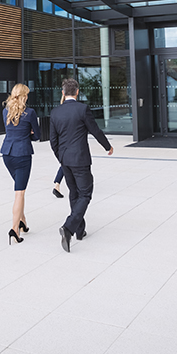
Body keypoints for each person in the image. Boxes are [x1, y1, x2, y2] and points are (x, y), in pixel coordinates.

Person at [50, 78, 113, 253]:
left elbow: (53, 141)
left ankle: (79, 230)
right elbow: (95, 130)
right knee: (85, 194)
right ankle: (69, 228)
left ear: (63, 93)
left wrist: (61, 157)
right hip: (80, 160)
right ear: (77, 92)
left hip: (65, 161)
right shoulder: (82, 109)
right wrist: (108, 146)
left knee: (74, 193)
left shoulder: (55, 112)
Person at [0, 83, 40, 244]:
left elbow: (10, 130)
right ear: (24, 96)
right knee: (20, 192)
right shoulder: (29, 113)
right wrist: (28, 134)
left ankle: (22, 221)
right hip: (22, 154)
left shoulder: (5, 111)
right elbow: (37, 136)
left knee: (18, 188)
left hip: (7, 154)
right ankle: (15, 229)